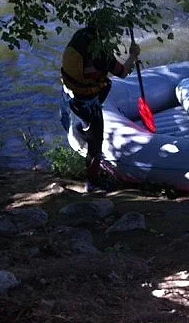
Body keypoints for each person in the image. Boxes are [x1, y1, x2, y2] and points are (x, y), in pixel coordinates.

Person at [60, 12, 140, 192]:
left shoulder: (79, 36)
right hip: (88, 103)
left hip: (70, 95)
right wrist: (133, 55)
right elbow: (122, 72)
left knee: (104, 86)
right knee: (95, 146)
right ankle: (92, 182)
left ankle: (83, 128)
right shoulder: (101, 52)